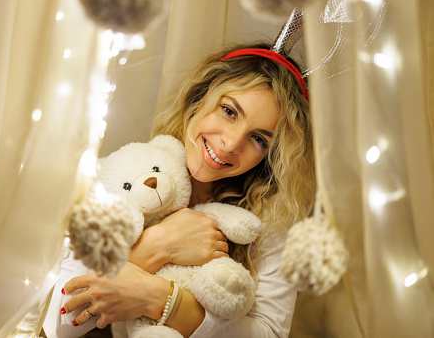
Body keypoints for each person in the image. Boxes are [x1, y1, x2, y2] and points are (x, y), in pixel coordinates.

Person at [42, 42, 316, 338]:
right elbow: (55, 321)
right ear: (198, 97)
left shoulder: (270, 222)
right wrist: (156, 246)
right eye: (229, 111)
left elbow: (269, 333)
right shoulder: (120, 177)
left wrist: (159, 297)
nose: (232, 143)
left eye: (259, 139)